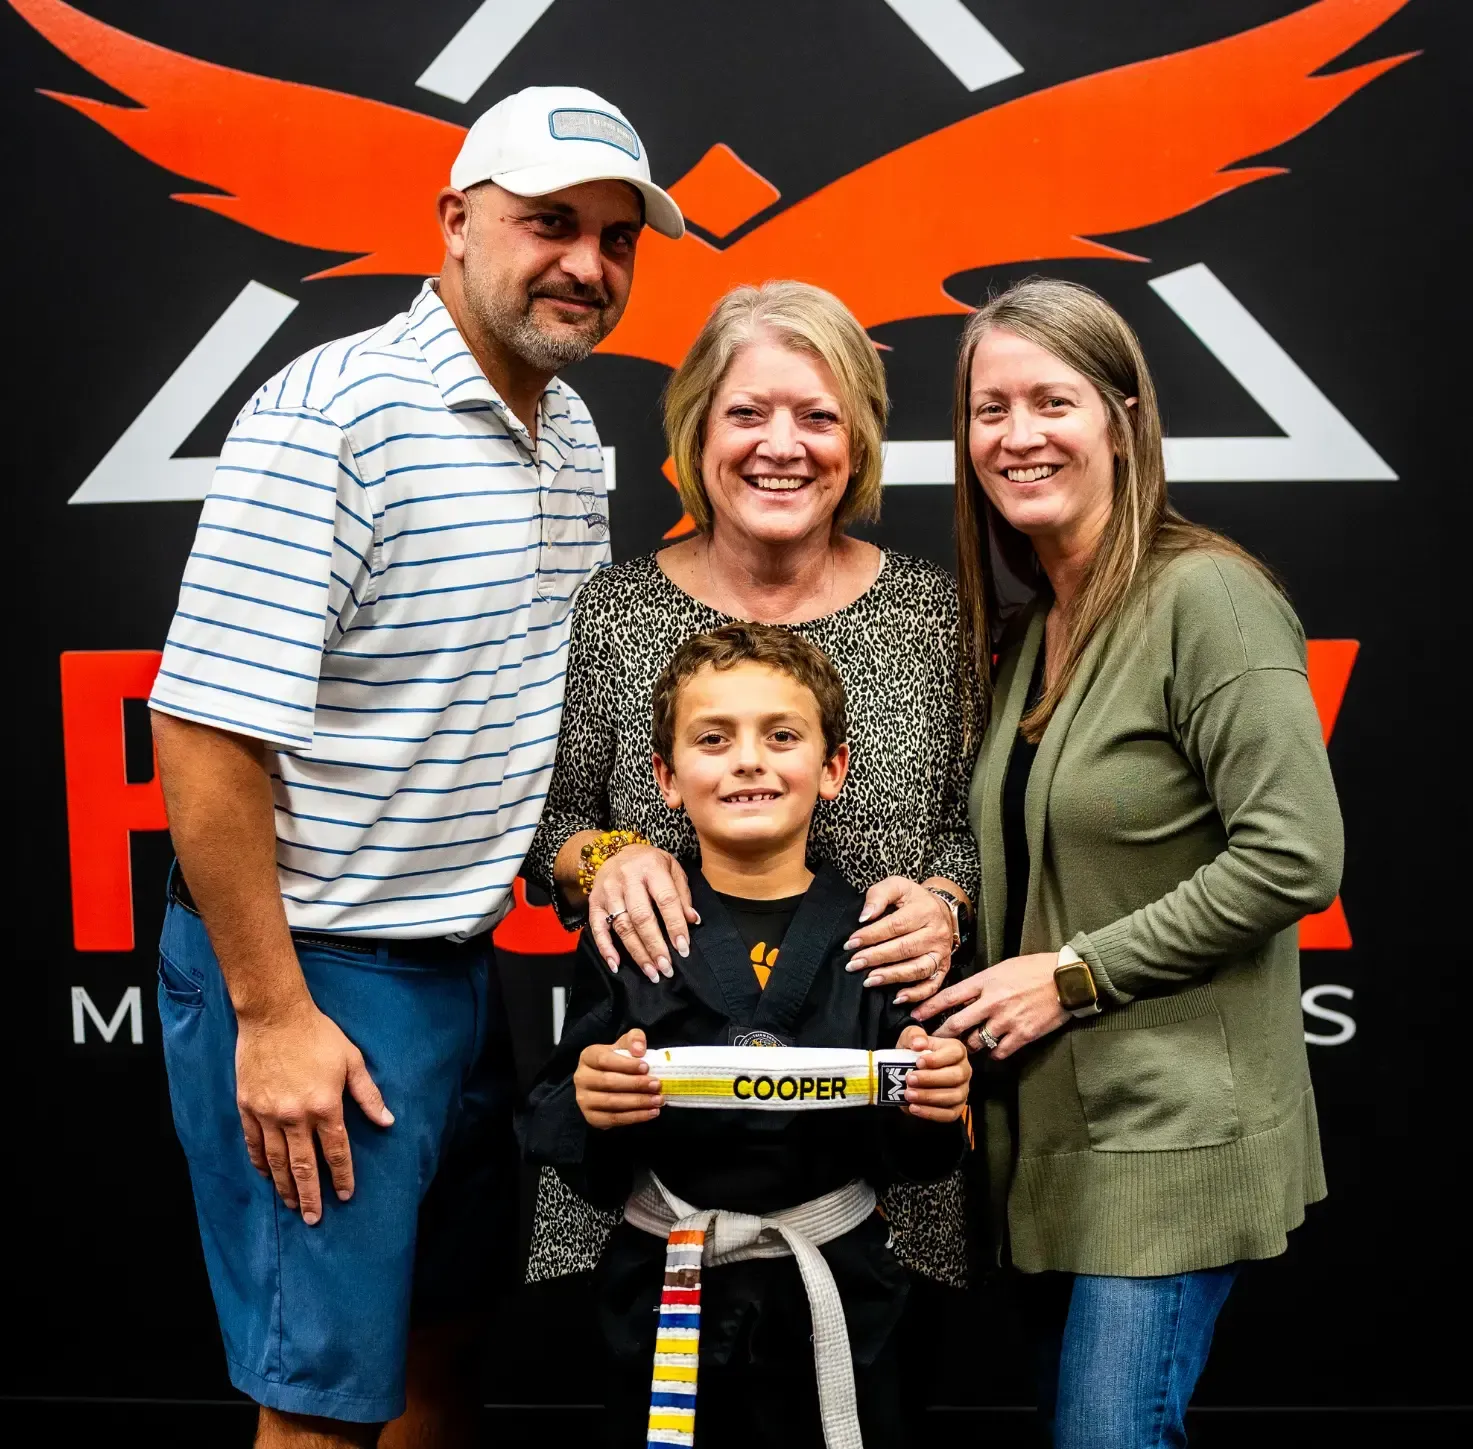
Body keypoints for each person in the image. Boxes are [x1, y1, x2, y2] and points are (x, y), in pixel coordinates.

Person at [147, 87, 683, 1448]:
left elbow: (511, 717)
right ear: (452, 223)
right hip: (311, 966)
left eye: (619, 239)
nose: (588, 264)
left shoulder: (566, 433)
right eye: (549, 223)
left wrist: (591, 852)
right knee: (320, 1399)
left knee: (441, 1347)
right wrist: (271, 1014)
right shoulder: (335, 415)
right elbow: (204, 729)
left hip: (452, 968)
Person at [910, 278, 1344, 1448]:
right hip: (1051, 1147)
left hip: (1174, 1138)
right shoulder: (1024, 631)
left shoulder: (1208, 597)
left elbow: (1296, 853)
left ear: (1123, 419)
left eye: (1052, 400)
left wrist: (1071, 973)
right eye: (990, 408)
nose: (1018, 434)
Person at [520, 280, 978, 1287]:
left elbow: (971, 830)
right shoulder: (615, 610)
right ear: (695, 433)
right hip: (650, 1170)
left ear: (857, 441)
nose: (783, 444)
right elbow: (553, 822)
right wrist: (606, 855)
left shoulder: (933, 617)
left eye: (818, 416)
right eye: (748, 413)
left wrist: (946, 903)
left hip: (875, 1159)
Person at [521, 623, 971, 1449]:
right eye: (714, 738)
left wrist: (938, 1096)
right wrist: (593, 1098)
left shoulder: (879, 933)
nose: (749, 759)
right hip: (668, 1286)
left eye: (782, 735)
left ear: (832, 768)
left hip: (837, 1281)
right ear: (664, 777)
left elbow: (917, 1155)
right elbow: (562, 1117)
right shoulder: (628, 929)